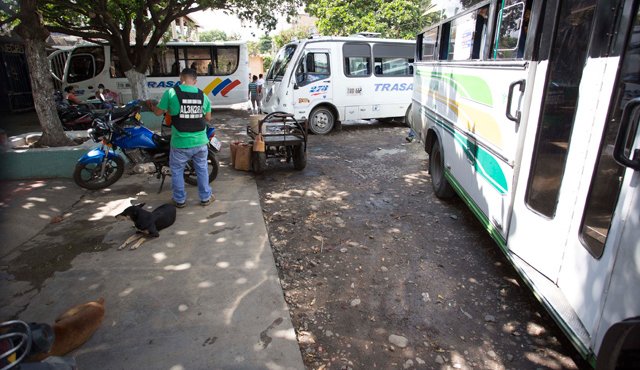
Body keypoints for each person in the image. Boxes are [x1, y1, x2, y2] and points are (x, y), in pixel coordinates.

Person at [148, 68, 213, 208]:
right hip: (200, 141)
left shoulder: (171, 93)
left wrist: (153, 107)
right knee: (202, 169)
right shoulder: (203, 95)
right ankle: (205, 198)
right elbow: (208, 117)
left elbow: (159, 113)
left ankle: (180, 200)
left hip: (180, 142)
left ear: (180, 78)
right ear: (195, 81)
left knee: (177, 171)